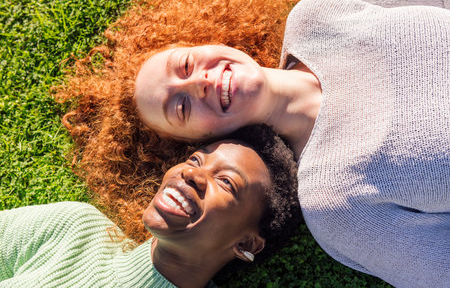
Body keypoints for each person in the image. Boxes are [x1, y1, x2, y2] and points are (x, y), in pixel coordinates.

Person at [60, 0, 450, 286]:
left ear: (207, 38)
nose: (200, 82)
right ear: (199, 140)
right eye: (181, 108)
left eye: (185, 64)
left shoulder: (317, 17)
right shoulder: (334, 202)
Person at [0, 125, 301, 288]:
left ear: (247, 243)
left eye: (225, 182)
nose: (192, 173)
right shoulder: (74, 229)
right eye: (195, 159)